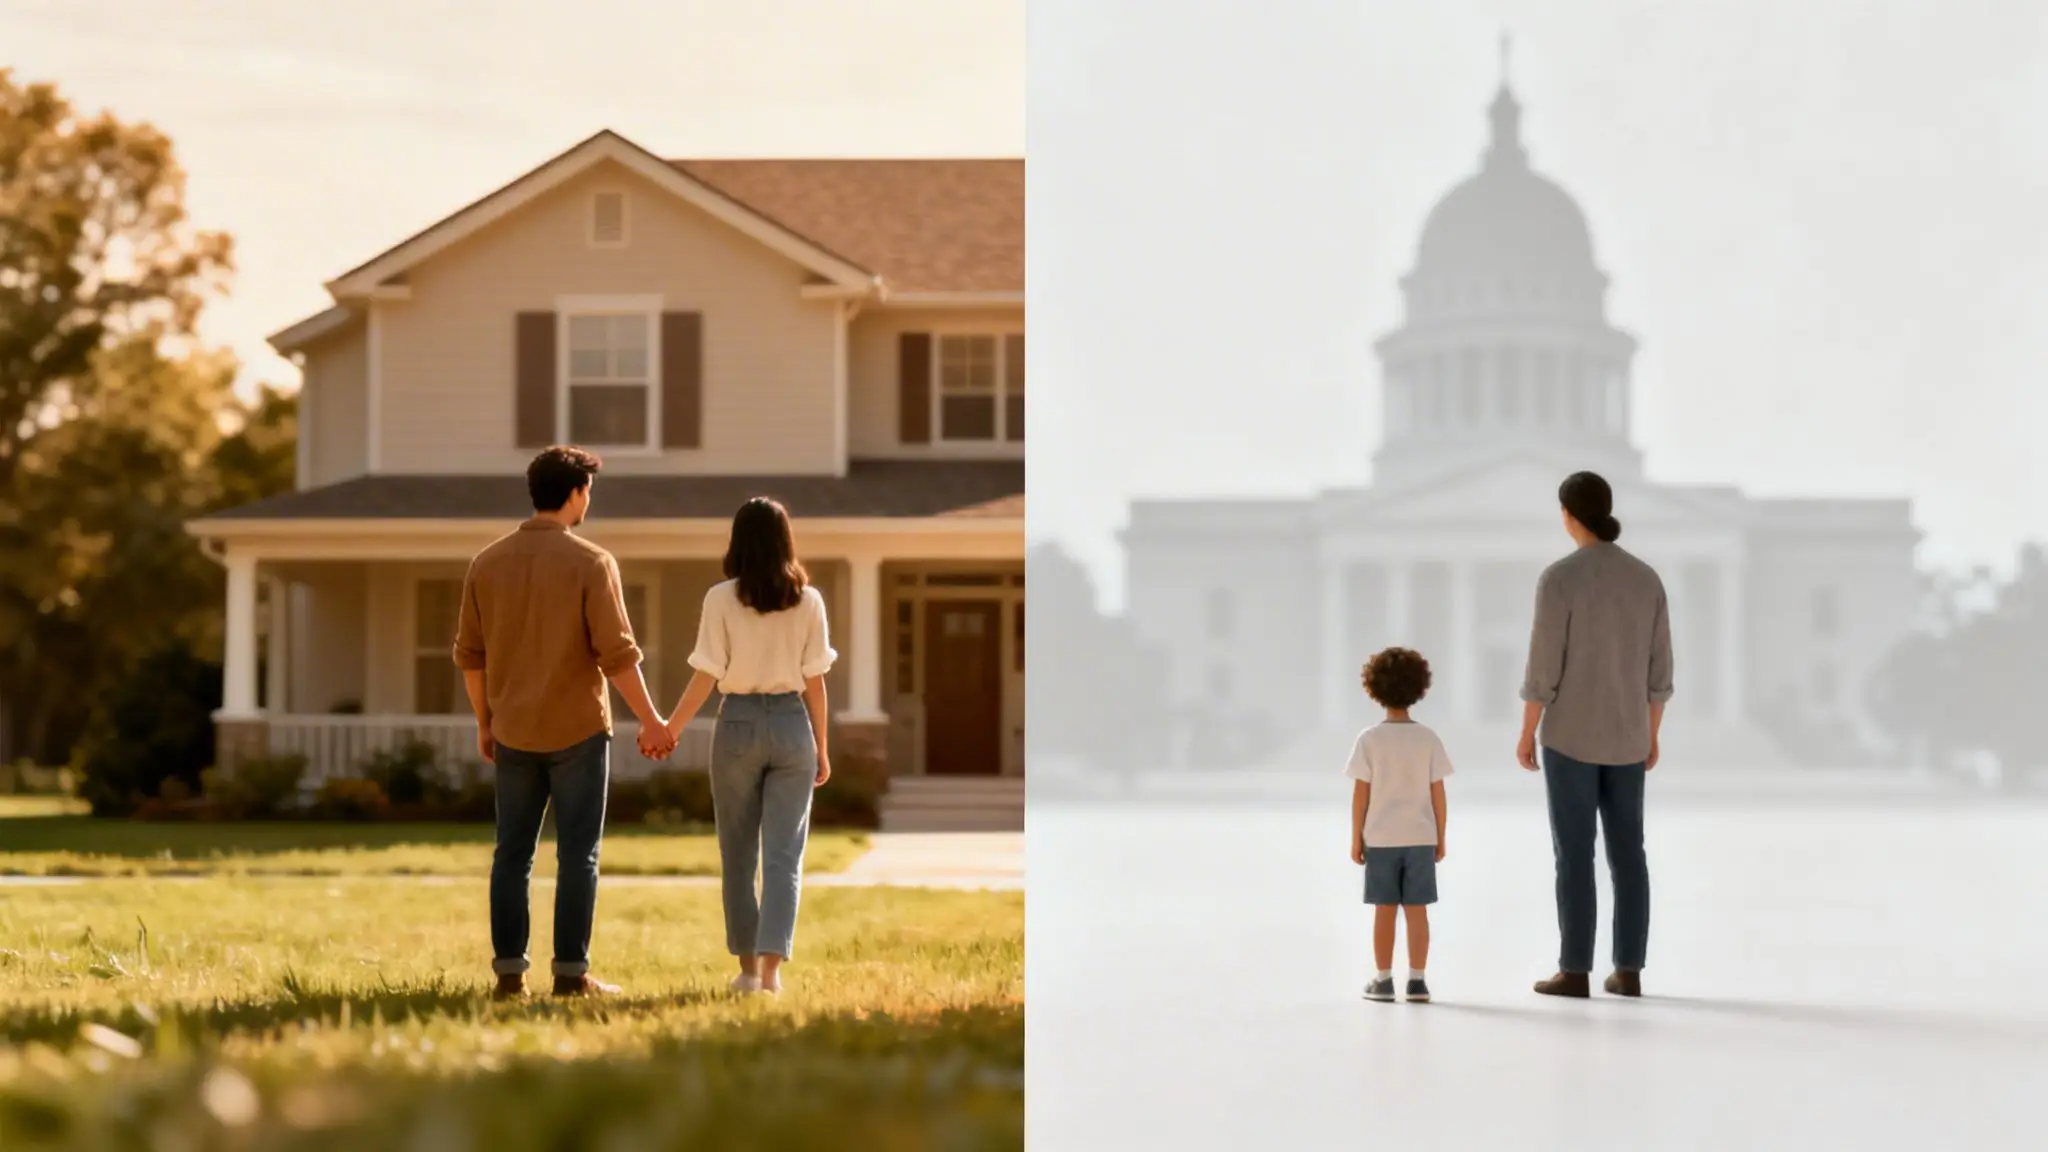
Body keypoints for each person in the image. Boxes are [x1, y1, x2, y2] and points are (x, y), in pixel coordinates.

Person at [454, 445, 677, 1000]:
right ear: (576, 493)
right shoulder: (591, 562)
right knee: (579, 855)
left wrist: (485, 722)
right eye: (588, 493)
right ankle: (571, 975)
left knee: (512, 853)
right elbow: (617, 655)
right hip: (578, 730)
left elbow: (470, 656)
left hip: (513, 730)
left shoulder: (487, 562)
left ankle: (509, 975)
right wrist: (652, 720)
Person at [658, 497, 835, 995]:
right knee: (784, 856)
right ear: (786, 540)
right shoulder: (810, 601)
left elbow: (705, 675)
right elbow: (815, 682)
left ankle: (748, 972)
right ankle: (773, 975)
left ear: (737, 541)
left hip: (736, 724)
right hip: (791, 724)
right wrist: (821, 746)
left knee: (738, 854)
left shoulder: (720, 599)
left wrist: (670, 727)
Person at [1518, 470, 1674, 1000]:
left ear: (1568, 514)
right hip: (1629, 737)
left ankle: (1575, 970)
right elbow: (1660, 673)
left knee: (1575, 853)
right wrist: (1651, 734)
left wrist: (1526, 732)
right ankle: (1628, 968)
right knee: (1630, 853)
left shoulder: (1558, 578)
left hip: (1569, 739)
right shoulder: (1646, 578)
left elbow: (1543, 667)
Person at [1346, 646, 1453, 1004]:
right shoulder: (1428, 738)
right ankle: (1418, 981)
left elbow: (1361, 795)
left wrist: (1356, 838)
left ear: (1374, 688)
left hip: (1380, 837)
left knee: (1385, 910)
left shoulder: (1369, 739)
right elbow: (1438, 794)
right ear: (1418, 688)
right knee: (1418, 910)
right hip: (1420, 836)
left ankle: (1383, 979)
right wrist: (1441, 835)